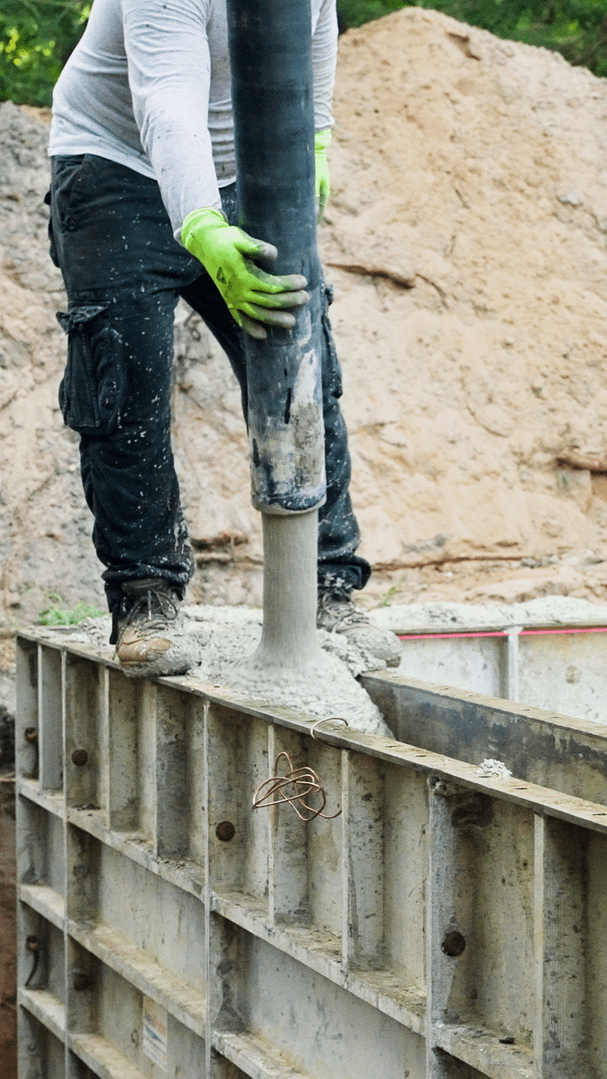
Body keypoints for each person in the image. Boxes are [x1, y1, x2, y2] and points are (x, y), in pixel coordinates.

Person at [46, 0, 400, 677]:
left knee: (302, 361)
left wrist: (315, 139)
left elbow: (315, 38)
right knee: (124, 383)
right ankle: (145, 597)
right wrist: (203, 226)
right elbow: (166, 102)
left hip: (247, 166)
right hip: (116, 167)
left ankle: (328, 586)